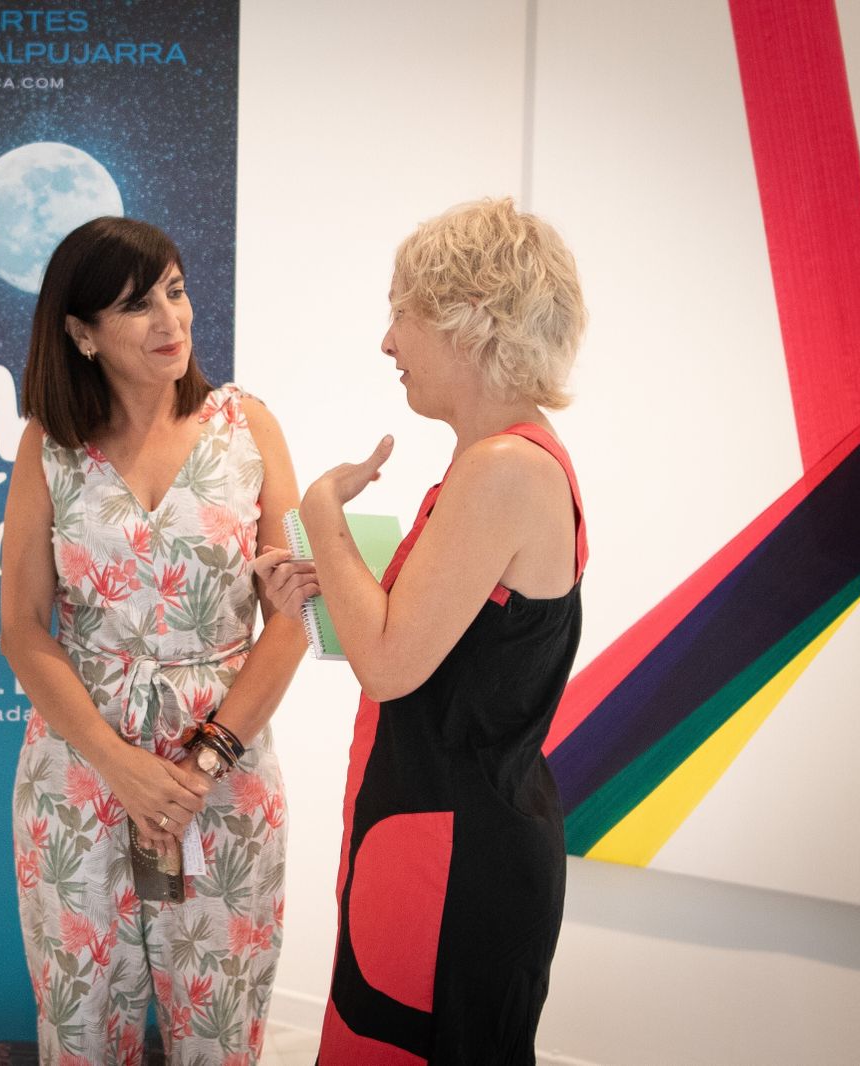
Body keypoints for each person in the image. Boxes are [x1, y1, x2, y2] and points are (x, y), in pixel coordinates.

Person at [255, 198, 588, 1064]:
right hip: (434, 836)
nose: (388, 341)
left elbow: (392, 666)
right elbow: (433, 655)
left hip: (453, 856)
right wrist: (325, 592)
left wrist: (322, 510)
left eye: (401, 310)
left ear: (468, 317)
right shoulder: (498, 461)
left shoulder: (505, 468)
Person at [0, 216, 307, 1064]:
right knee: (82, 1034)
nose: (171, 321)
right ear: (80, 333)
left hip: (223, 778)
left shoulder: (250, 428)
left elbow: (292, 613)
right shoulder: (50, 447)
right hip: (78, 775)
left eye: (176, 291)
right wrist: (116, 761)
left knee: (220, 1031)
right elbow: (24, 629)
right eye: (138, 305)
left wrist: (203, 760)